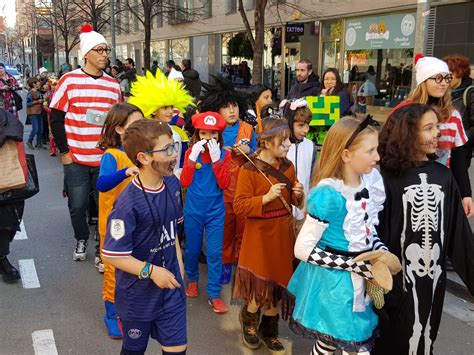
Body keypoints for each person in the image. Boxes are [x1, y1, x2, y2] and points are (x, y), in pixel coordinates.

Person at [288, 115, 400, 355]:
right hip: (334, 285)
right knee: (346, 345)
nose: (377, 157)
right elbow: (303, 249)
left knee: (335, 342)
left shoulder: (371, 184)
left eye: (376, 149)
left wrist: (381, 252)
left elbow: (368, 232)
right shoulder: (329, 195)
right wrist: (353, 265)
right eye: (370, 151)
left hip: (361, 281)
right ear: (346, 155)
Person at [374, 103, 474, 355]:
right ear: (407, 133)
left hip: (433, 279)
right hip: (393, 279)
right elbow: (374, 233)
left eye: (436, 127)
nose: (436, 134)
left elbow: (459, 237)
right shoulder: (385, 177)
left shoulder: (443, 176)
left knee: (426, 335)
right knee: (391, 338)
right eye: (428, 128)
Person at [102, 119, 187, 355]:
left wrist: (178, 271)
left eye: (174, 147)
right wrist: (153, 272)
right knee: (133, 351)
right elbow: (113, 256)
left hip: (171, 291)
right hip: (137, 296)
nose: (174, 155)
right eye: (167, 150)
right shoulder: (127, 204)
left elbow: (173, 234)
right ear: (143, 157)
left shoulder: (172, 184)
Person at [50, 24, 122, 261]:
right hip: (77, 158)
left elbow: (118, 121)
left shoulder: (113, 84)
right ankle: (81, 238)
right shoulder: (68, 81)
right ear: (86, 54)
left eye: (106, 50)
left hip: (105, 159)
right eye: (99, 50)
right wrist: (65, 152)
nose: (104, 55)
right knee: (78, 206)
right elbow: (56, 118)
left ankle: (103, 248)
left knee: (106, 206)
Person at [233, 117, 304, 353]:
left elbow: (292, 202)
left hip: (283, 234)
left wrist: (299, 194)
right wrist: (265, 198)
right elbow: (240, 206)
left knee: (277, 288)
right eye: (282, 141)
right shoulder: (248, 169)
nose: (287, 145)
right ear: (265, 142)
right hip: (259, 235)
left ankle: (269, 330)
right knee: (258, 288)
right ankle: (249, 323)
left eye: (287, 141)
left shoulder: (288, 166)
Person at [198, 75, 257, 284]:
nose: (232, 110)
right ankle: (224, 265)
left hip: (245, 189)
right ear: (216, 110)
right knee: (224, 231)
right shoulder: (212, 132)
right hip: (220, 190)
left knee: (244, 230)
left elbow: (258, 155)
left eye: (234, 105)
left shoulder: (248, 129)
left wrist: (249, 150)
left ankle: (242, 266)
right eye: (226, 107)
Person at [399, 54, 474, 217]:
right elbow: (391, 152)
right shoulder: (404, 112)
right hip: (406, 185)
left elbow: (459, 158)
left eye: (447, 78)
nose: (444, 83)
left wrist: (466, 193)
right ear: (424, 81)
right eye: (438, 78)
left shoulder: (453, 115)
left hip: (442, 186)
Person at [96, 103, 143, 338]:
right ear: (119, 129)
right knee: (114, 272)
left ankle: (129, 310)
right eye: (135, 124)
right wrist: (125, 172)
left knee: (135, 269)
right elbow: (102, 184)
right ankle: (111, 314)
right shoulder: (111, 155)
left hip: (138, 223)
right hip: (114, 225)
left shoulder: (142, 153)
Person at [180, 112, 231, 313]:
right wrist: (191, 159)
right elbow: (184, 182)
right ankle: (192, 280)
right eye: (203, 134)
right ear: (197, 135)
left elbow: (225, 184)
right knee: (192, 250)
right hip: (193, 210)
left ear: (219, 136)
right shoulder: (191, 153)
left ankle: (214, 294)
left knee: (215, 253)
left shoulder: (224, 155)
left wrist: (218, 161)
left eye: (213, 134)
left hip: (216, 212)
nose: (208, 138)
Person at [128, 69, 194, 177]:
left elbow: (181, 160)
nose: (170, 111)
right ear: (153, 109)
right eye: (165, 108)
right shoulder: (143, 133)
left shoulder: (176, 133)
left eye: (172, 107)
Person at [0, 108, 26, 283]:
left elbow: (16, 129)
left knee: (7, 221)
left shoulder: (4, 115)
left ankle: (2, 257)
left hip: (6, 178)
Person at [284, 100, 317, 232]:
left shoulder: (310, 146)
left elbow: (314, 176)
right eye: (301, 125)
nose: (306, 130)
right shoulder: (281, 145)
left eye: (307, 125)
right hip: (284, 207)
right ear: (289, 124)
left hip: (304, 208)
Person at [443, 54, 474, 165]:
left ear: (460, 73)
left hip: (460, 151)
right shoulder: (443, 92)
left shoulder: (470, 93)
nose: (446, 79)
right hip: (443, 149)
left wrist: (459, 139)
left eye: (450, 74)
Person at [25, 78, 45, 150]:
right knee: (35, 129)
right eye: (38, 82)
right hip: (32, 113)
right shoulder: (30, 93)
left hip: (39, 112)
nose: (39, 83)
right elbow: (28, 103)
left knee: (40, 129)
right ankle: (29, 141)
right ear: (34, 84)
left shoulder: (38, 91)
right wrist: (37, 102)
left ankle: (38, 143)